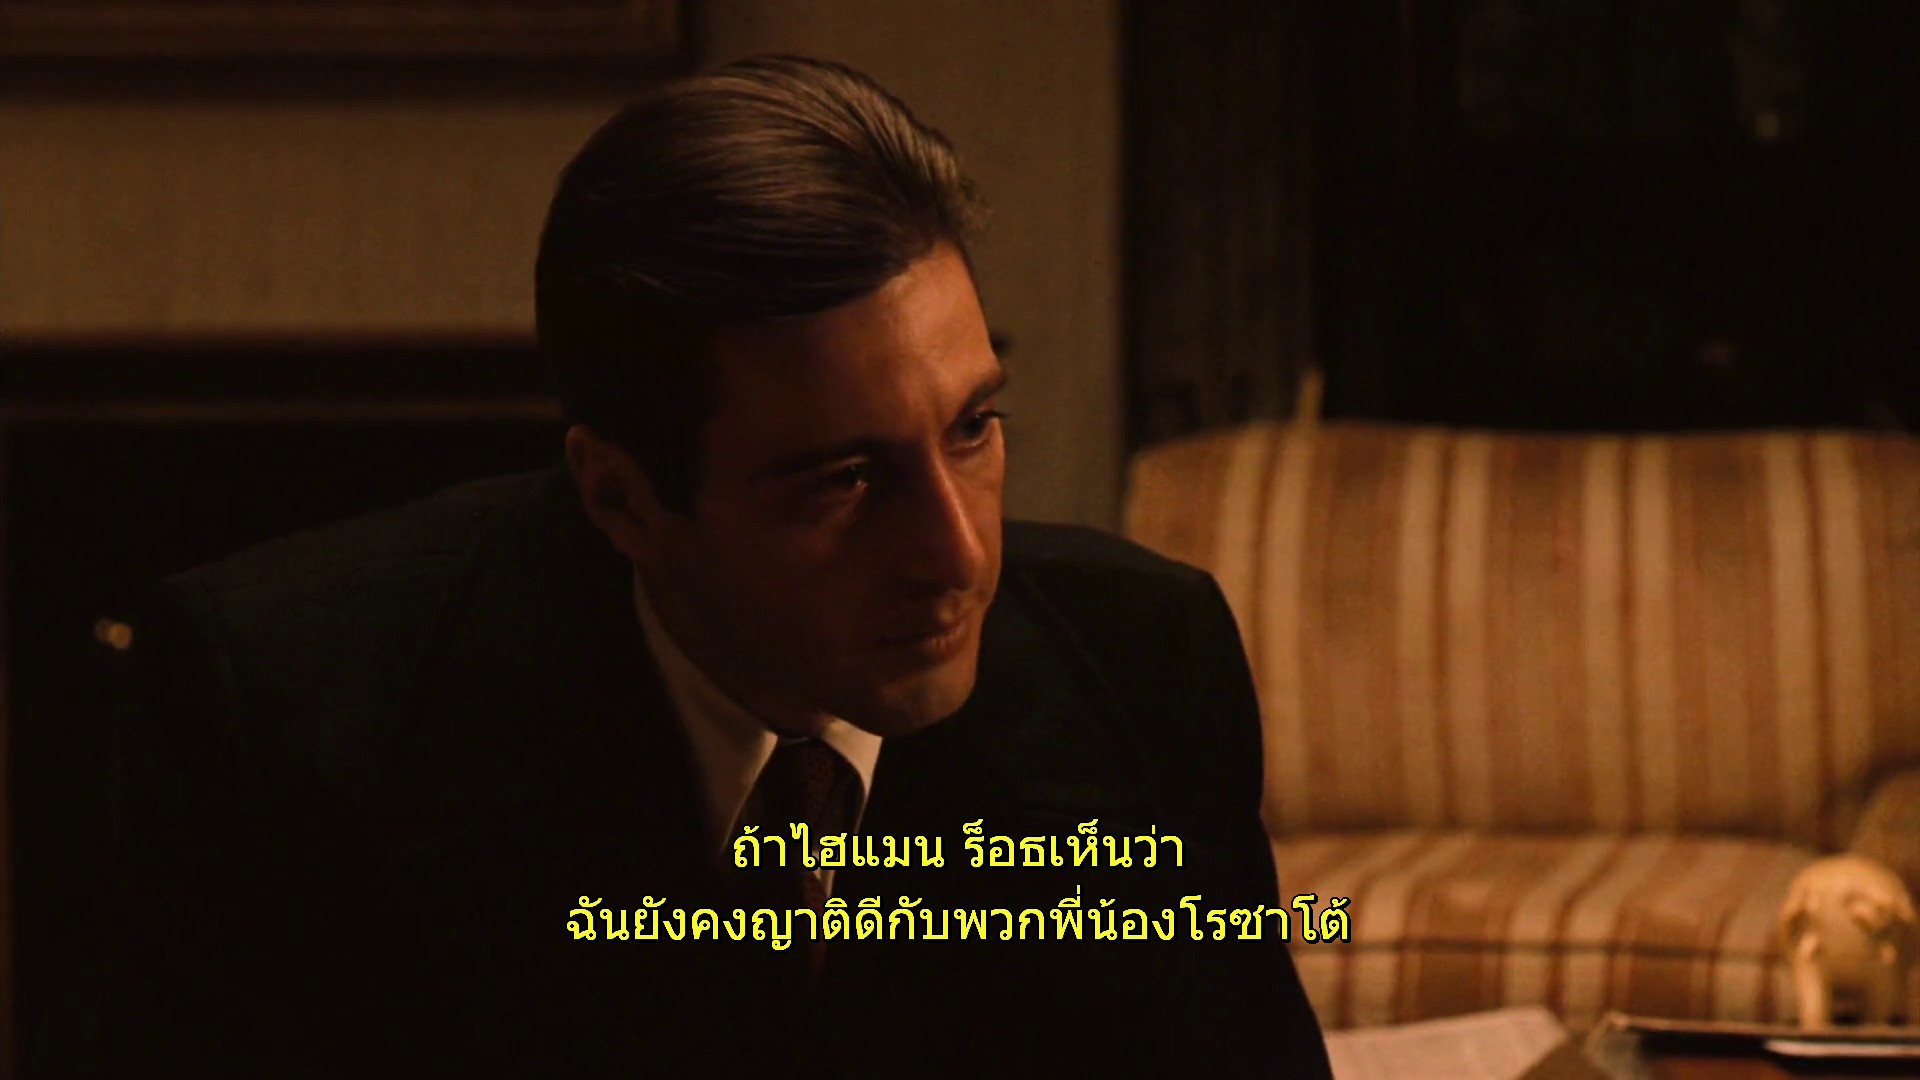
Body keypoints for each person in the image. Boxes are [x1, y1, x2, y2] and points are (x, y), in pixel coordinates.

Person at [96, 55, 1331, 1078]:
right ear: (621, 498)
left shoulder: (1144, 664)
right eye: (842, 480)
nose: (956, 554)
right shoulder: (283, 712)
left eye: (972, 428)